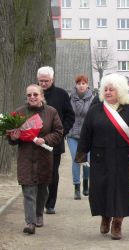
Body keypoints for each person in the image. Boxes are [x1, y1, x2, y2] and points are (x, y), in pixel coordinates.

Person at [75, 73, 129, 240]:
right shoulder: (95, 111)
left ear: (120, 91)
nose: (108, 92)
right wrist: (81, 154)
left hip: (124, 158)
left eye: (112, 89)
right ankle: (105, 217)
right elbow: (86, 134)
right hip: (101, 157)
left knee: (123, 190)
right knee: (102, 188)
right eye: (105, 89)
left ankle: (117, 222)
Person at [8, 84, 63, 234]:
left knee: (42, 190)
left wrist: (45, 139)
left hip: (44, 157)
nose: (32, 97)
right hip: (25, 157)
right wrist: (13, 137)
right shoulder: (19, 112)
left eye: (35, 94)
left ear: (41, 96)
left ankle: (39, 214)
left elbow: (59, 132)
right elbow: (12, 137)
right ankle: (30, 222)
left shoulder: (51, 112)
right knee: (28, 190)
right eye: (29, 95)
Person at [37, 66, 75, 214]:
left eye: (46, 81)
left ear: (52, 80)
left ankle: (50, 203)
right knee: (38, 172)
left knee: (53, 172)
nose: (43, 84)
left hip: (55, 141)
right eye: (41, 81)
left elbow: (70, 116)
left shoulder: (61, 94)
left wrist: (61, 133)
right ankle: (38, 201)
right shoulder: (34, 93)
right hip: (36, 141)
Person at [67, 74, 94, 200]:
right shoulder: (70, 98)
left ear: (87, 85)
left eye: (83, 83)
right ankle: (76, 187)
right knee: (76, 159)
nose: (81, 85)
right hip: (72, 134)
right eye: (79, 83)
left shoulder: (93, 99)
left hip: (87, 135)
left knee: (86, 161)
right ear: (76, 85)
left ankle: (86, 184)